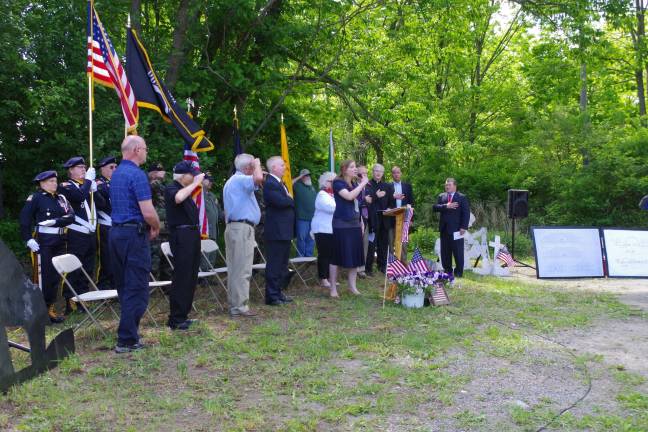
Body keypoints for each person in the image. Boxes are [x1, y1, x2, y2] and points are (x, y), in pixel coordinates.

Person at [109, 135, 160, 353]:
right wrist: (156, 226)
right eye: (146, 148)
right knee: (137, 287)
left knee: (124, 286)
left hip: (116, 234)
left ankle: (128, 334)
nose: (147, 152)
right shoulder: (137, 175)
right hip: (133, 235)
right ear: (137, 150)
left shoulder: (116, 173)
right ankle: (127, 339)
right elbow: (148, 212)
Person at [19, 170, 75, 323]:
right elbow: (24, 220)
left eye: (55, 181)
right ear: (42, 184)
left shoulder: (61, 198)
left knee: (56, 276)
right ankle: (38, 313)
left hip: (60, 239)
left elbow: (71, 216)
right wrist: (28, 239)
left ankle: (48, 309)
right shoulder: (36, 198)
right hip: (44, 241)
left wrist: (56, 222)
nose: (54, 184)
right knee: (43, 276)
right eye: (50, 181)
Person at [58, 156, 104, 314]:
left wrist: (94, 190)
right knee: (73, 268)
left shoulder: (87, 186)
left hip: (90, 232)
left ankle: (83, 299)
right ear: (71, 170)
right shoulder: (66, 186)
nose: (84, 169)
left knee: (87, 267)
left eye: (84, 167)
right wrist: (89, 183)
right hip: (76, 232)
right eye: (79, 167)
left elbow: (102, 205)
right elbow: (78, 197)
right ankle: (70, 300)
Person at [165, 161, 205, 330]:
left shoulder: (186, 191)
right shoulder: (172, 188)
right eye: (192, 174)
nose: (195, 177)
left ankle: (183, 315)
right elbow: (178, 198)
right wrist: (196, 183)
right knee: (182, 276)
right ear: (183, 176)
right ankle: (176, 318)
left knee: (191, 276)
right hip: (181, 236)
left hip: (191, 235)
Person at [223, 153, 263, 317]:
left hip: (236, 228)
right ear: (248, 168)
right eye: (253, 167)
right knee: (242, 269)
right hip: (241, 228)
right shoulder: (240, 179)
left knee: (235, 268)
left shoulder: (233, 181)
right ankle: (239, 307)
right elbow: (259, 178)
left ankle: (235, 304)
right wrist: (258, 163)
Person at [329, 160, 369, 297]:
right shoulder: (338, 182)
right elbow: (349, 196)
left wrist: (361, 222)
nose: (355, 169)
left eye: (355, 167)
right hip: (341, 224)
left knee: (355, 256)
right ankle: (333, 288)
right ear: (344, 169)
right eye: (352, 167)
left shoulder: (354, 184)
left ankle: (352, 287)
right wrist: (363, 183)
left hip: (354, 223)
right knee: (337, 256)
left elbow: (358, 203)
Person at [263, 156, 296, 306]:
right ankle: (271, 296)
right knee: (274, 263)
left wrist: (288, 199)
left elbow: (286, 201)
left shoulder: (279, 183)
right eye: (282, 165)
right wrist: (290, 200)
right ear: (274, 167)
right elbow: (281, 202)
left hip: (284, 230)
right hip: (276, 230)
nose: (285, 168)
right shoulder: (270, 183)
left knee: (282, 264)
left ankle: (278, 292)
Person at [433, 177, 470, 277]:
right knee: (445, 252)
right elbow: (435, 207)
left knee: (458, 252)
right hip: (444, 229)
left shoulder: (462, 197)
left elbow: (466, 213)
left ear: (455, 186)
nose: (447, 186)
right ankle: (447, 271)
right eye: (446, 185)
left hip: (457, 230)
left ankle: (458, 272)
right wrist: (446, 206)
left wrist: (464, 227)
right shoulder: (442, 196)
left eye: (449, 185)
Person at [365, 163, 392, 274]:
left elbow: (391, 201)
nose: (378, 173)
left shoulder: (387, 186)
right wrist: (377, 196)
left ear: (383, 173)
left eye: (381, 171)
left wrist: (390, 208)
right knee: (371, 244)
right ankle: (368, 268)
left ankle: (382, 266)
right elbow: (367, 201)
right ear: (373, 171)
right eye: (376, 170)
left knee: (383, 244)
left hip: (385, 219)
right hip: (372, 219)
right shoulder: (367, 185)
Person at [311, 172, 337, 288]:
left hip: (331, 228)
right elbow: (331, 208)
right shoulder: (322, 194)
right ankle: (323, 278)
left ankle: (330, 277)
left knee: (332, 254)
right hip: (322, 228)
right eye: (332, 181)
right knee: (324, 254)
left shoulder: (333, 194)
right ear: (326, 182)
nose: (334, 184)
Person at [96, 156, 117, 290]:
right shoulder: (99, 184)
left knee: (116, 257)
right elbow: (103, 204)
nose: (115, 170)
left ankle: (115, 287)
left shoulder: (116, 182)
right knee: (106, 259)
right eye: (111, 167)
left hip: (117, 224)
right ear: (102, 169)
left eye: (116, 167)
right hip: (105, 224)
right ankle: (103, 287)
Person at [148, 162, 169, 281]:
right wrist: (156, 178)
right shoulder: (151, 185)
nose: (160, 174)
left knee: (167, 259)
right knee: (154, 258)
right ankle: (150, 285)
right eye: (156, 172)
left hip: (166, 228)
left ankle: (166, 285)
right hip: (155, 228)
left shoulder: (163, 186)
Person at [389, 165, 415, 261]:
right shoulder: (388, 186)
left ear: (401, 174)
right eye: (394, 172)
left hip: (404, 218)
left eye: (398, 172)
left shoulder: (407, 186)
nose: (396, 174)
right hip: (391, 219)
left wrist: (411, 219)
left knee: (403, 242)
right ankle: (391, 263)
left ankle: (403, 263)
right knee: (391, 241)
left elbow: (411, 203)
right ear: (392, 174)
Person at [292, 168, 317, 257]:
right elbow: (287, 184)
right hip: (302, 217)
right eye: (305, 175)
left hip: (313, 218)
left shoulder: (312, 187)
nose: (307, 177)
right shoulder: (297, 185)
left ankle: (309, 256)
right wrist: (299, 177)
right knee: (301, 238)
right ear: (301, 177)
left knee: (311, 238)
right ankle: (300, 257)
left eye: (308, 175)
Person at [202, 172, 220, 268]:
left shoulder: (212, 196)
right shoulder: (199, 194)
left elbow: (219, 212)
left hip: (214, 229)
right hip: (205, 230)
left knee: (213, 254)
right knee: (205, 254)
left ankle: (210, 275)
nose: (211, 183)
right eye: (209, 180)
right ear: (202, 180)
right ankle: (203, 278)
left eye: (212, 181)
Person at [356, 165, 371, 277]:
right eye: (362, 174)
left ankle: (361, 269)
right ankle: (353, 268)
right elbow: (353, 203)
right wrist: (364, 200)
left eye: (366, 173)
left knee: (365, 243)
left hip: (366, 218)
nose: (364, 175)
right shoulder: (352, 186)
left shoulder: (369, 186)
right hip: (356, 219)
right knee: (356, 244)